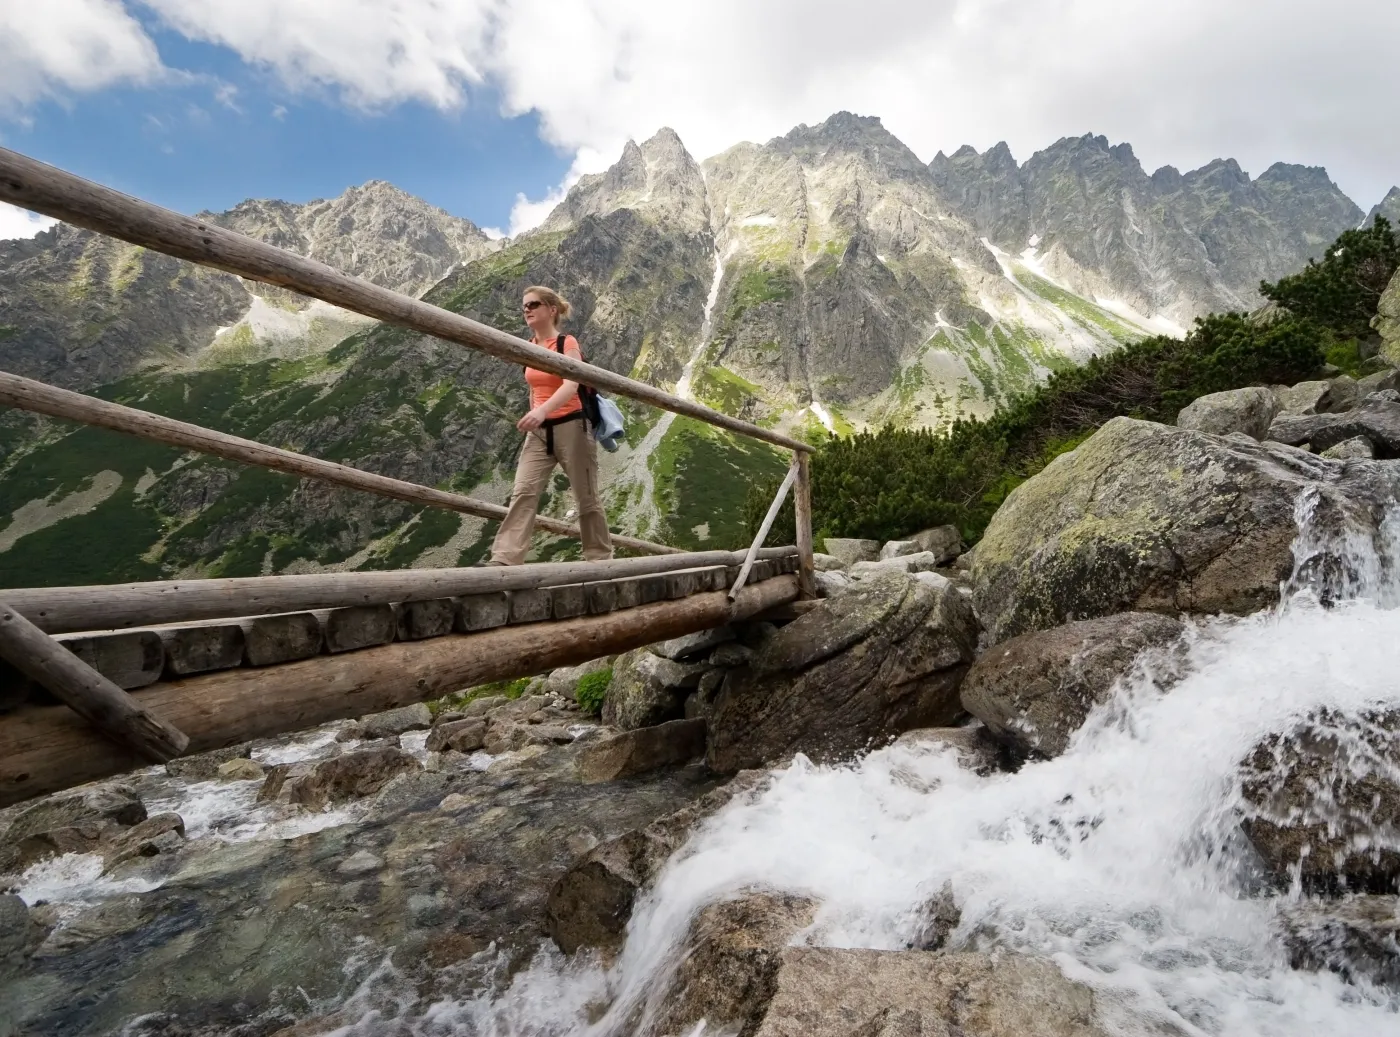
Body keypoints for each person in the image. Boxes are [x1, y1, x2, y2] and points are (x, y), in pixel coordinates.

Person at [485, 286, 614, 565]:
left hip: (572, 426)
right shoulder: (529, 346)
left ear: (551, 309)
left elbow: (572, 382)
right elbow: (534, 387)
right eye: (524, 306)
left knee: (586, 496)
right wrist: (536, 413)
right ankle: (504, 560)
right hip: (540, 433)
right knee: (523, 492)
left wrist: (541, 411)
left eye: (533, 304)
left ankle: (599, 559)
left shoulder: (566, 343)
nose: (527, 310)